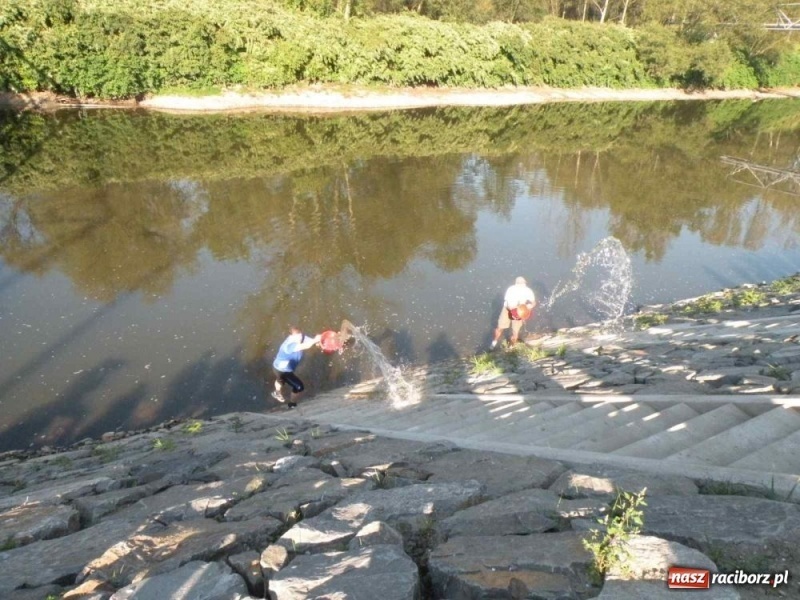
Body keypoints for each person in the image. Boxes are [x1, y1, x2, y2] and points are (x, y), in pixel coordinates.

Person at [272, 326, 322, 408]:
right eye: (297, 338)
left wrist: (318, 341)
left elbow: (310, 341)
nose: (299, 339)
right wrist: (315, 340)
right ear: (291, 336)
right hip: (282, 370)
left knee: (280, 380)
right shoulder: (288, 346)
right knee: (299, 387)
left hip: (281, 367)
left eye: (300, 336)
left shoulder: (301, 337)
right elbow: (306, 346)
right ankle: (292, 404)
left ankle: (277, 392)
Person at [491, 276, 536, 348]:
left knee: (515, 331)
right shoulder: (511, 290)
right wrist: (516, 310)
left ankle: (511, 347)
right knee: (500, 327)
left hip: (519, 311)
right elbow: (510, 305)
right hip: (508, 309)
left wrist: (529, 306)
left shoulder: (528, 291)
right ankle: (494, 342)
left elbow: (533, 302)